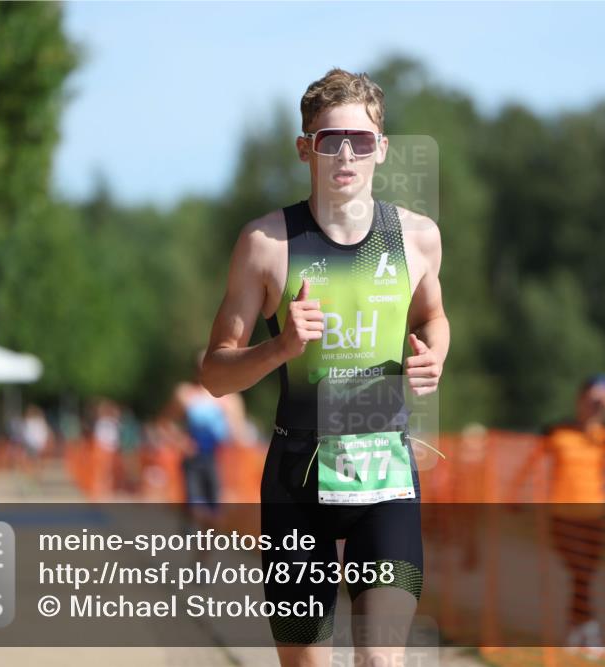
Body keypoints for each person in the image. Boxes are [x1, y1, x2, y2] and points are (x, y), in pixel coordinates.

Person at [200, 68, 448, 667]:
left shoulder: (416, 238)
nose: (345, 153)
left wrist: (435, 353)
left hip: (386, 474)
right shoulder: (265, 244)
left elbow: (434, 317)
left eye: (360, 141)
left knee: (380, 660)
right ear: (304, 148)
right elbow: (214, 373)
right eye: (330, 139)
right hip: (298, 479)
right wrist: (279, 348)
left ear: (381, 150)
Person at [511, 374, 605, 659]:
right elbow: (529, 462)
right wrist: (517, 493)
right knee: (581, 574)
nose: (595, 405)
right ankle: (590, 631)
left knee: (583, 576)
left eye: (601, 400)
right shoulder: (557, 430)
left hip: (594, 517)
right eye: (592, 398)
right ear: (580, 398)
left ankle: (577, 631)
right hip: (562, 516)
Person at [173, 350, 248, 508]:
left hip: (219, 460)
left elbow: (240, 435)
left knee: (216, 511)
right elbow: (165, 423)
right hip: (194, 458)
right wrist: (181, 441)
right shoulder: (186, 394)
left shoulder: (231, 399)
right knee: (195, 508)